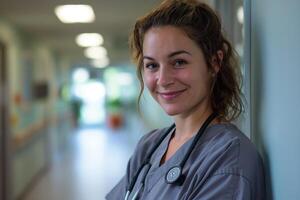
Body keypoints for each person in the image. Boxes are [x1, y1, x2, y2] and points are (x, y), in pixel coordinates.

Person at [106, 0, 265, 199]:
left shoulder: (230, 159)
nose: (163, 80)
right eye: (152, 65)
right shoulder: (150, 146)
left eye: (179, 62)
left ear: (214, 62)